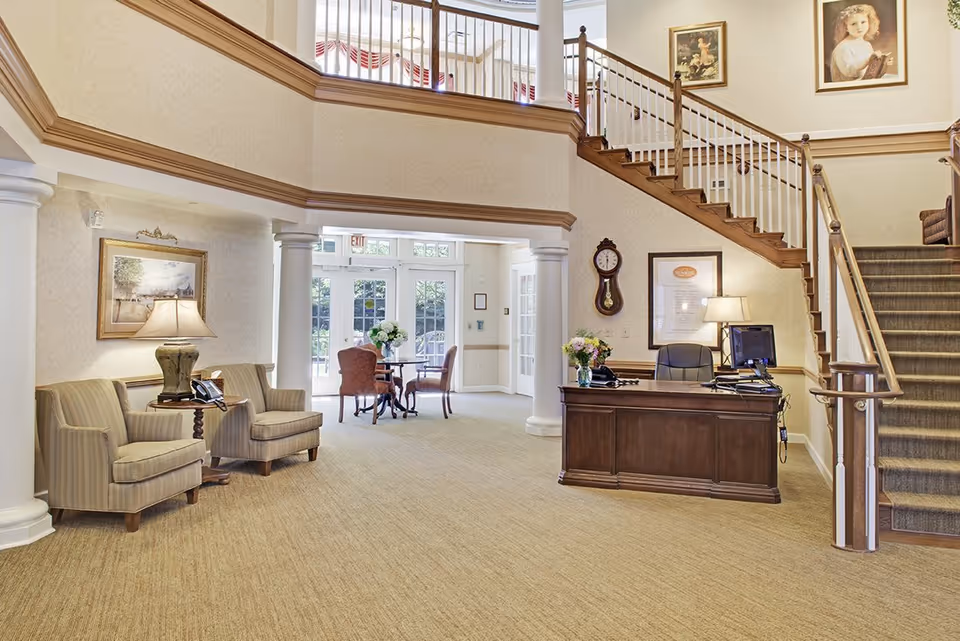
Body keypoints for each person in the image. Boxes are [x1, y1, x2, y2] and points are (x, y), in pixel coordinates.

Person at [830, 4, 893, 82]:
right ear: (846, 27)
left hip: (865, 81)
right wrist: (868, 60)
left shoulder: (866, 45)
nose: (859, 27)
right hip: (849, 87)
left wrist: (882, 63)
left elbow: (870, 68)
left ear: (869, 23)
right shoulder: (843, 47)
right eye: (853, 24)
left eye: (863, 22)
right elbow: (848, 71)